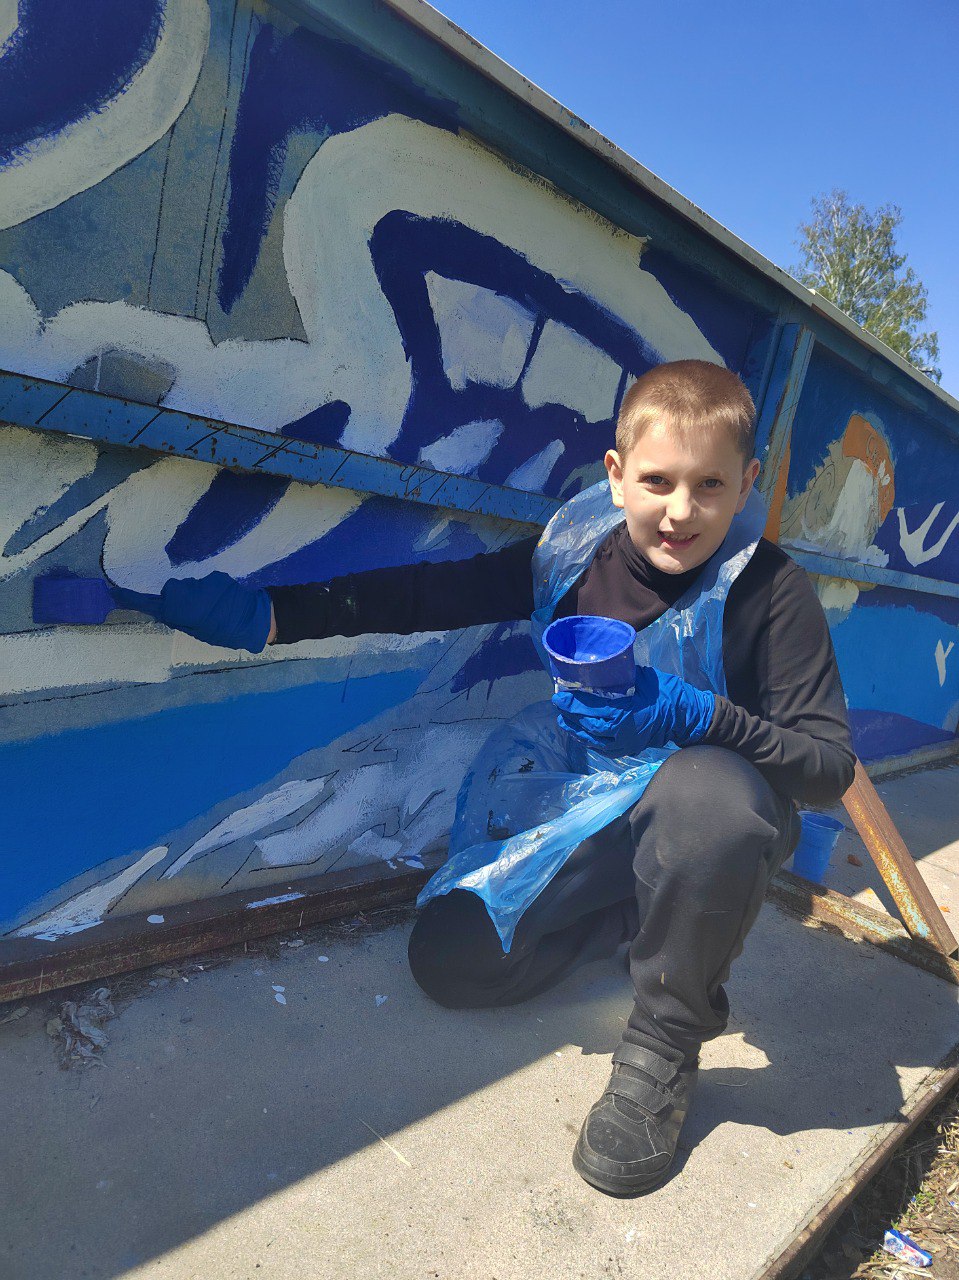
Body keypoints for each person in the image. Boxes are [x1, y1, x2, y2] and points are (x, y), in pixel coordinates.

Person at [111, 360, 856, 1197]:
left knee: (711, 797)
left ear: (745, 484)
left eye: (709, 485)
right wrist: (272, 615)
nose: (680, 510)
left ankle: (662, 1046)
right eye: (657, 481)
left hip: (706, 814)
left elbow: (828, 768)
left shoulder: (770, 591)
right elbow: (429, 593)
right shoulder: (573, 554)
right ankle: (641, 917)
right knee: (452, 962)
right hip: (589, 796)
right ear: (616, 476)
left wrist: (701, 717)